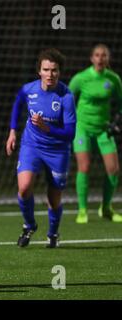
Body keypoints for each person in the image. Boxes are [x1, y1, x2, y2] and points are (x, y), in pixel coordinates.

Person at [6, 48, 76, 248]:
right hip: (32, 145)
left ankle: (53, 234)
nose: (50, 74)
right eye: (46, 69)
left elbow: (70, 133)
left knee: (54, 199)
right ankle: (29, 225)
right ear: (39, 71)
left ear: (59, 72)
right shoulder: (28, 90)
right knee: (24, 187)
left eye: (54, 70)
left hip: (58, 150)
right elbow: (18, 104)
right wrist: (12, 131)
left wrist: (48, 128)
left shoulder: (66, 96)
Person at [69, 44, 122, 224]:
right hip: (82, 127)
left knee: (113, 169)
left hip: (104, 130)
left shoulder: (113, 79)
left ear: (108, 59)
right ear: (92, 58)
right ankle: (82, 210)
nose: (100, 58)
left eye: (104, 56)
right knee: (84, 167)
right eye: (97, 55)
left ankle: (106, 208)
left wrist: (116, 122)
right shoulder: (81, 78)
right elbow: (67, 98)